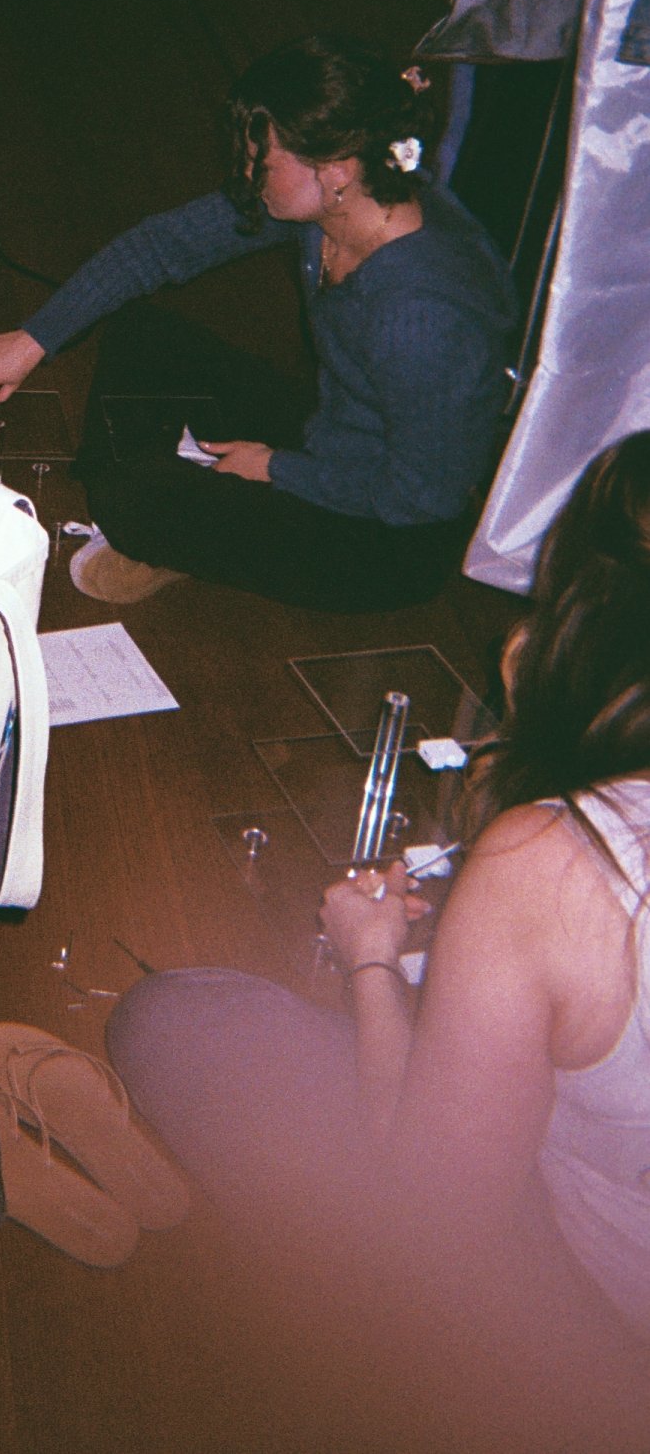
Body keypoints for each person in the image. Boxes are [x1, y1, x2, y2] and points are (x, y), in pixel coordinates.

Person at [104, 429, 650, 1450]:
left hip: (603, 1357)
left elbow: (433, 1219)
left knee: (172, 1018)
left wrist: (367, 957)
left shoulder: (557, 867)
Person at [0, 35, 517, 611]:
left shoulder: (425, 312)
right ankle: (173, 511)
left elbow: (422, 499)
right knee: (142, 334)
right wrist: (36, 337)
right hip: (334, 433)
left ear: (334, 170)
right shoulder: (340, 203)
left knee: (128, 494)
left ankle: (158, 519)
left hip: (385, 537)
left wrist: (279, 469)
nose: (249, 172)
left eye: (264, 162)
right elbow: (162, 246)